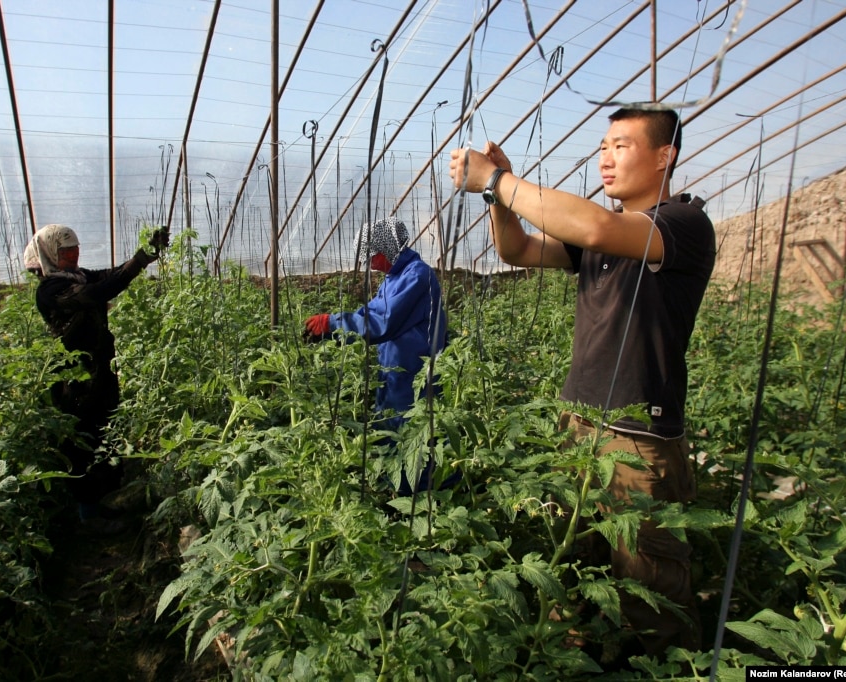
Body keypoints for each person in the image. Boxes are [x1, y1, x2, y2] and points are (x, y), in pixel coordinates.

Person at [449, 106, 715, 657]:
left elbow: (597, 224)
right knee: (576, 572)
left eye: (621, 145)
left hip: (638, 441)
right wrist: (497, 198)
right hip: (580, 426)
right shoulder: (600, 240)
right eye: (601, 145)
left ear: (665, 156)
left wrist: (499, 179)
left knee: (649, 593)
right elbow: (516, 249)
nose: (605, 156)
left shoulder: (683, 225)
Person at [23, 223, 168, 531]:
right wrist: (140, 261)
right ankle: (88, 516)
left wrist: (146, 253)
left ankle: (110, 503)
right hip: (74, 379)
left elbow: (109, 276)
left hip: (99, 370)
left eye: (75, 251)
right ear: (49, 254)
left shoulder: (78, 275)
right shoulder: (50, 290)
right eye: (66, 252)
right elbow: (98, 291)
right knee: (82, 440)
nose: (74, 256)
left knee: (107, 430)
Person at [304, 217, 449, 495]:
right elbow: (369, 312)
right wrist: (332, 326)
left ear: (390, 248)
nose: (370, 262)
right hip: (395, 370)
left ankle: (419, 496)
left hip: (414, 373)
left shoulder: (417, 275)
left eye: (373, 254)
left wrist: (334, 323)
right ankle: (392, 489)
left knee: (414, 434)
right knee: (390, 428)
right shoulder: (393, 278)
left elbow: (383, 321)